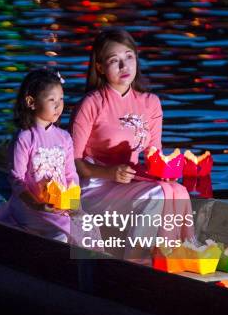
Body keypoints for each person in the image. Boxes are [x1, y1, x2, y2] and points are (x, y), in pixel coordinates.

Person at [70, 28, 195, 260]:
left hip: (131, 182)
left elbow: (154, 156)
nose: (124, 66)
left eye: (129, 57)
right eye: (114, 60)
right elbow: (72, 162)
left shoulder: (151, 103)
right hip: (94, 188)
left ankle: (175, 256)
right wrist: (108, 172)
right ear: (99, 67)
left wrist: (173, 170)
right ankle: (135, 262)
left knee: (177, 190)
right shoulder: (91, 104)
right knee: (157, 194)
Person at [0, 68, 79, 243]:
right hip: (30, 208)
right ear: (31, 102)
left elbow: (71, 174)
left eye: (61, 99)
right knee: (60, 238)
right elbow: (15, 178)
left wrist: (72, 202)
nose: (59, 105)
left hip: (59, 207)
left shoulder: (64, 138)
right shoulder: (24, 138)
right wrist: (35, 204)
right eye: (52, 100)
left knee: (85, 230)